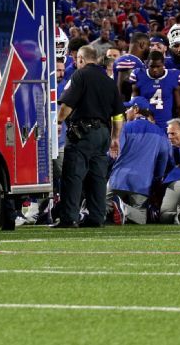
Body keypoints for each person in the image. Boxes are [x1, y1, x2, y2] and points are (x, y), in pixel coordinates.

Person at [51, 45, 123, 228]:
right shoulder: (109, 81)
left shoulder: (79, 75)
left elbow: (67, 104)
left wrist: (58, 122)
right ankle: (96, 218)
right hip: (103, 135)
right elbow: (118, 116)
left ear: (81, 59)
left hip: (82, 134)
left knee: (73, 176)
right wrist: (115, 138)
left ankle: (69, 218)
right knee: (97, 178)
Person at [107, 107, 172, 224]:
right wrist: (157, 178)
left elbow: (113, 153)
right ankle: (125, 209)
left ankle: (85, 213)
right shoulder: (160, 132)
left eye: (128, 109)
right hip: (142, 181)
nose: (125, 112)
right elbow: (163, 158)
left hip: (118, 177)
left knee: (102, 207)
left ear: (136, 110)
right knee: (141, 216)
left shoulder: (125, 127)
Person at [131, 51, 180, 134]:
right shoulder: (139, 74)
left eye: (158, 66)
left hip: (166, 124)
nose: (155, 69)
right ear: (147, 64)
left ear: (163, 64)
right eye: (152, 66)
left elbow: (179, 106)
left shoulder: (173, 75)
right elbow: (134, 103)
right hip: (145, 123)